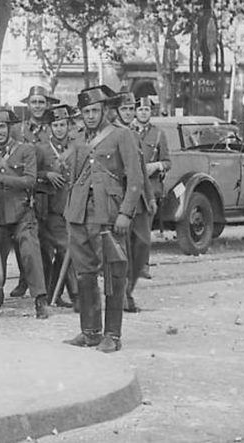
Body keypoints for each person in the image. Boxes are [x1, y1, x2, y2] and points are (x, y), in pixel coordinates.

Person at [63, 85, 144, 353]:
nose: (90, 116)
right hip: (79, 213)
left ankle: (112, 334)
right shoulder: (78, 139)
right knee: (84, 273)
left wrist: (125, 213)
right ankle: (90, 332)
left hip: (108, 214)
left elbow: (135, 178)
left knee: (113, 275)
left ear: (105, 111)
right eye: (86, 111)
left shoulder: (122, 135)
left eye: (95, 111)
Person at [0, 110, 49, 319]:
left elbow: (30, 181)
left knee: (30, 253)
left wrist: (1, 178)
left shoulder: (25, 150)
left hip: (23, 212)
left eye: (2, 127)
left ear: (10, 128)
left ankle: (40, 299)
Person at [12, 85, 60, 299]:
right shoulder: (17, 130)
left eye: (41, 102)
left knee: (46, 241)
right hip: (24, 191)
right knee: (23, 240)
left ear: (47, 105)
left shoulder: (54, 128)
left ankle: (48, 287)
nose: (38, 106)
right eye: (34, 102)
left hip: (47, 193)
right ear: (28, 105)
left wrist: (46, 175)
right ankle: (24, 280)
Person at [35, 105, 78, 307]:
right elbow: (30, 174)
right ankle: (77, 295)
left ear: (68, 126)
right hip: (51, 209)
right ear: (49, 127)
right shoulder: (42, 149)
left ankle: (55, 293)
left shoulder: (76, 147)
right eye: (55, 125)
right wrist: (47, 174)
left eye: (62, 125)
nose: (59, 129)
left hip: (72, 206)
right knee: (65, 248)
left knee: (65, 252)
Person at [129, 94, 170, 309]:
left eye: (146, 110)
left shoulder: (159, 134)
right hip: (129, 187)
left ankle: (143, 265)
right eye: (140, 109)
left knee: (144, 234)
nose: (143, 113)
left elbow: (168, 162)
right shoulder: (128, 131)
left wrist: (157, 166)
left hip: (150, 189)